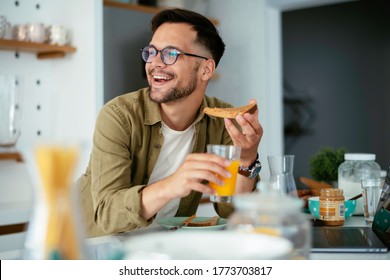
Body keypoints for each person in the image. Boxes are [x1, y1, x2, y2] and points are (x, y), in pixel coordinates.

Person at [78, 8, 263, 238]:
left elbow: (233, 212)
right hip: (94, 249)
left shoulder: (222, 121)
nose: (154, 63)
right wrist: (172, 185)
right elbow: (107, 214)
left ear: (206, 69)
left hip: (164, 247)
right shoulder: (119, 116)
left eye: (170, 54)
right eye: (152, 52)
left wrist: (246, 160)